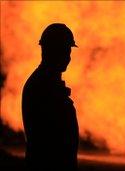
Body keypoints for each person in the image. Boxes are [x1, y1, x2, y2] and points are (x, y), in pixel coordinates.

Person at [22, 23, 79, 171]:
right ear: (49, 51)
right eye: (64, 50)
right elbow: (50, 139)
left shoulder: (47, 83)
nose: (68, 57)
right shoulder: (41, 86)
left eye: (68, 51)